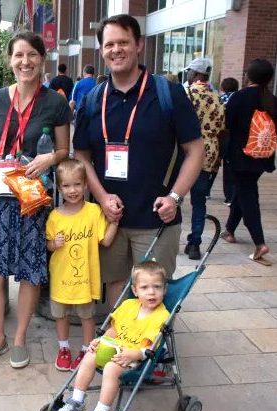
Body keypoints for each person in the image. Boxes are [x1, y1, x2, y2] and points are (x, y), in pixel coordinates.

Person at [73, 14, 203, 306]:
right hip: (110, 218)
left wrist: (175, 197)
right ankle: (118, 335)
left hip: (157, 217)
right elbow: (81, 155)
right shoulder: (93, 100)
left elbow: (196, 151)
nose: (116, 50)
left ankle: (151, 338)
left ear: (139, 45)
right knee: (116, 287)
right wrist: (102, 197)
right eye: (109, 44)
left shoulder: (167, 93)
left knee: (153, 292)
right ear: (101, 50)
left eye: (123, 42)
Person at [0, 30, 72, 369]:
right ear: (10, 60)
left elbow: (64, 149)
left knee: (29, 271)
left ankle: (19, 339)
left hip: (32, 198)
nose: (25, 62)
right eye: (19, 55)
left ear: (42, 59)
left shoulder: (55, 102)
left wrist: (50, 158)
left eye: (32, 55)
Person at [55, 260, 170, 411]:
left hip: (136, 357)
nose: (151, 292)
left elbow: (150, 348)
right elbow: (114, 330)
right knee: (90, 355)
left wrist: (133, 354)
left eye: (157, 287)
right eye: (145, 287)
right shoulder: (128, 306)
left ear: (164, 289)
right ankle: (76, 401)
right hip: (114, 348)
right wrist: (101, 340)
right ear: (135, 290)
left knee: (110, 368)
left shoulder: (161, 316)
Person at [46, 158, 118, 372]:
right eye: (66, 185)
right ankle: (64, 348)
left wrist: (115, 222)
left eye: (77, 184)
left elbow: (105, 241)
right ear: (59, 188)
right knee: (61, 315)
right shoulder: (55, 216)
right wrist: (54, 243)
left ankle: (87, 349)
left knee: (87, 317)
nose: (72, 190)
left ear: (86, 184)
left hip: (85, 280)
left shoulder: (94, 211)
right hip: (61, 279)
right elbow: (48, 246)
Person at [221, 58, 276, 266]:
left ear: (248, 76)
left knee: (248, 196)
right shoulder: (272, 99)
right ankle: (229, 230)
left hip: (241, 156)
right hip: (262, 156)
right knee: (243, 190)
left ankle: (259, 242)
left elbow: (227, 124)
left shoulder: (239, 97)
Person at [183, 58, 225, 260]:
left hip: (187, 150)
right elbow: (222, 126)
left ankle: (168, 238)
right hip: (209, 151)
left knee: (174, 196)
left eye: (190, 72)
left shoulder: (187, 93)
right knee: (199, 201)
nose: (188, 75)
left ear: (196, 74)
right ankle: (195, 243)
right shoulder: (217, 97)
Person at [219, 77, 239, 206]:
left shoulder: (222, 99)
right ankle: (234, 195)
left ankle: (229, 196)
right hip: (239, 136)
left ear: (223, 87)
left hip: (226, 134)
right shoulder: (239, 97)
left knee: (227, 166)